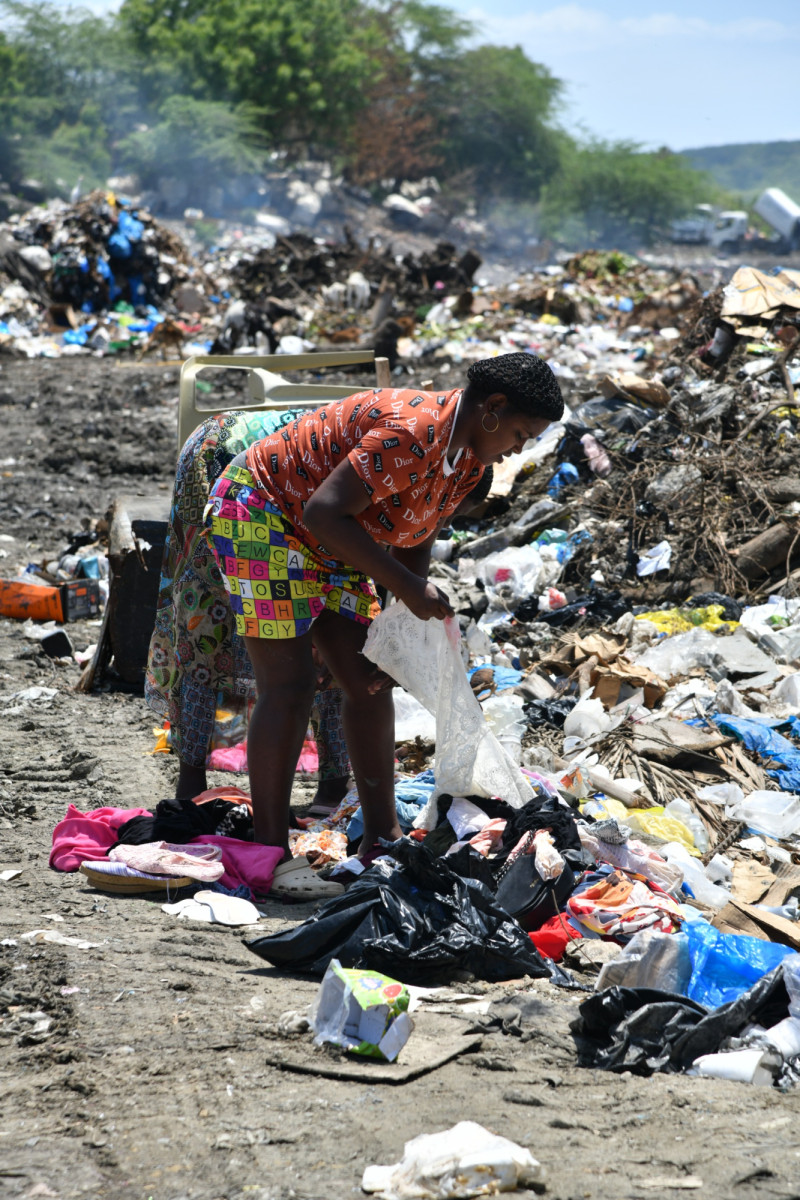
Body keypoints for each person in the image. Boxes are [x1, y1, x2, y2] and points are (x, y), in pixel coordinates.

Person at [207, 352, 564, 898]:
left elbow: (417, 527)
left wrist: (401, 617)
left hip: (336, 538)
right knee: (292, 684)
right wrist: (406, 587)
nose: (520, 448)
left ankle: (382, 836)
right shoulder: (412, 433)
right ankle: (271, 854)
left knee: (371, 679)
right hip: (264, 513)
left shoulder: (469, 458)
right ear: (492, 408)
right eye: (520, 432)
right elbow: (323, 512)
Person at [145, 408, 352, 807]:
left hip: (216, 446)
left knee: (203, 615)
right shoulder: (409, 470)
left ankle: (191, 784)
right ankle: (331, 784)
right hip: (232, 466)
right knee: (331, 621)